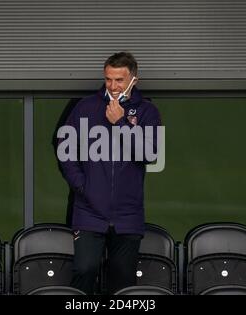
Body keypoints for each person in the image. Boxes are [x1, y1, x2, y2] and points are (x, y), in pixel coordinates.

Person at [57, 52, 161, 294]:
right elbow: (65, 150)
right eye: (108, 79)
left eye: (119, 80)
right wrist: (81, 186)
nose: (113, 86)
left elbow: (149, 154)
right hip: (89, 211)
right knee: (84, 270)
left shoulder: (147, 112)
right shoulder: (85, 107)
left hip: (128, 214)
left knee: (123, 281)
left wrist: (120, 123)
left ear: (134, 79)